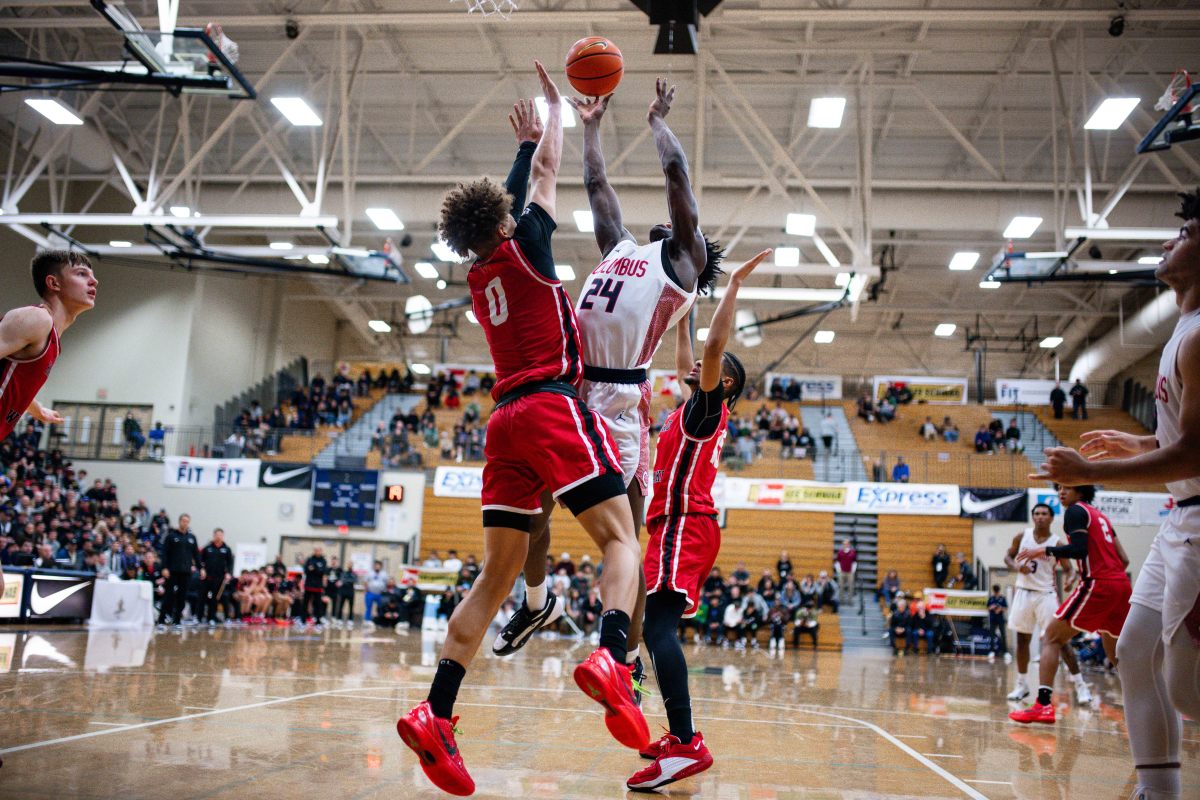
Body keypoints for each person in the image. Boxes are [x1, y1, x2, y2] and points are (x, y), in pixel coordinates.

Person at [398, 66, 649, 798]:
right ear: (504, 222)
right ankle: (609, 657)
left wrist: (531, 140)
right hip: (549, 406)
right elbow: (543, 174)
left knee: (496, 577)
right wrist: (557, 115)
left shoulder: (480, 274)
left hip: (501, 422)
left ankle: (437, 710)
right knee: (621, 539)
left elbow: (508, 197)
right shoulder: (528, 243)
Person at [496, 77, 723, 696]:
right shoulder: (623, 248)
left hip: (617, 405)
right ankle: (537, 600)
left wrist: (655, 121)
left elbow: (677, 173)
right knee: (529, 519)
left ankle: (624, 659)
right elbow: (596, 186)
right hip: (566, 393)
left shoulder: (679, 267)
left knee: (625, 542)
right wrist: (592, 124)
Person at [1033, 191, 1200, 799]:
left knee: (1188, 692)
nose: (1167, 241)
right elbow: (1179, 440)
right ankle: (1157, 793)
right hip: (1178, 522)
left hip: (1198, 522)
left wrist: (1090, 472)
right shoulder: (1182, 326)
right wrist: (1138, 446)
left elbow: (1195, 455)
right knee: (1132, 652)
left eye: (1184, 234)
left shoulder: (1199, 335)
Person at [629, 249, 766, 791]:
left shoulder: (710, 408)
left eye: (715, 370)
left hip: (686, 523)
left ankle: (686, 743)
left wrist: (730, 286)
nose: (702, 366)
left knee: (657, 627)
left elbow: (710, 346)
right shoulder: (692, 406)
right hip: (673, 525)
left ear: (725, 383)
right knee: (646, 624)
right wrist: (684, 295)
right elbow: (692, 348)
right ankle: (679, 735)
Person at [0, 249, 96, 598]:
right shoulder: (35, 320)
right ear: (53, 283)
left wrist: (34, 407)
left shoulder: (51, 335)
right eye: (82, 274)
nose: (93, 280)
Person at [1010, 484, 1131, 725]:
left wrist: (1044, 550)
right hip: (1120, 584)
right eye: (1060, 488)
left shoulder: (1075, 511)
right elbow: (1124, 560)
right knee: (1116, 651)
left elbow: (1078, 549)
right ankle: (1141, 696)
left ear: (1081, 490)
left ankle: (1043, 705)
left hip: (1099, 583)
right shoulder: (1101, 516)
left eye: (1067, 488)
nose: (1061, 492)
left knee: (1051, 637)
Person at [1003, 504, 1092, 705]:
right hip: (1024, 592)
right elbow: (1007, 556)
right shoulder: (1021, 536)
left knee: (1061, 641)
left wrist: (1070, 579)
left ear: (1051, 518)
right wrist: (1016, 566)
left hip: (1046, 595)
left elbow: (1069, 569)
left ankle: (1081, 686)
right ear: (1032, 517)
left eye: (1044, 514)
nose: (1040, 517)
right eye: (1037, 513)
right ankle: (1021, 684)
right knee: (1022, 641)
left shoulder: (1056, 543)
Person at [159, 514, 199, 627]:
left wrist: (201, 568)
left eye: (187, 521)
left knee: (182, 597)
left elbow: (196, 555)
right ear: (179, 521)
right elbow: (164, 553)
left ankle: (177, 620)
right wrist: (164, 568)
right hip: (172, 571)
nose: (185, 523)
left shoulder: (192, 538)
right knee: (168, 595)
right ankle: (161, 620)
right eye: (183, 521)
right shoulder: (171, 536)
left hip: (186, 572)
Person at [199, 528, 234, 626]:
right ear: (214, 535)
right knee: (202, 597)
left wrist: (228, 573)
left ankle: (211, 618)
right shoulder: (207, 548)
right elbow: (200, 561)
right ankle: (198, 617)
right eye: (217, 535)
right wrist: (202, 569)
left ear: (223, 536)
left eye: (220, 535)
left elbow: (230, 563)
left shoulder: (227, 549)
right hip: (206, 578)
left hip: (219, 579)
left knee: (215, 598)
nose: (218, 537)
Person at [303, 546, 328, 623]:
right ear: (314, 551)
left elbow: (322, 572)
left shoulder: (323, 561)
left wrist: (314, 568)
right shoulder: (309, 559)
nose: (317, 552)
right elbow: (306, 570)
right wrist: (313, 569)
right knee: (305, 603)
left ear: (321, 551)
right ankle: (303, 619)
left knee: (318, 604)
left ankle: (318, 619)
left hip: (318, 586)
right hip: (308, 585)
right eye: (316, 550)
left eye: (319, 550)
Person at [363, 560, 388, 626]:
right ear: (374, 566)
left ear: (381, 566)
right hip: (370, 593)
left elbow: (386, 583)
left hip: (380, 594)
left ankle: (379, 621)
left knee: (380, 608)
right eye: (376, 565)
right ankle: (367, 621)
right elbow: (365, 581)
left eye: (379, 566)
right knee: (368, 607)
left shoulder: (384, 574)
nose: (377, 567)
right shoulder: (369, 573)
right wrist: (366, 590)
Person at [987, 584, 1008, 660]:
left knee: (1003, 635)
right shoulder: (991, 598)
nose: (996, 593)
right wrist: (992, 607)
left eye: (997, 591)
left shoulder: (1002, 598)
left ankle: (1005, 652)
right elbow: (988, 607)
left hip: (1000, 619)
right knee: (992, 635)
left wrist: (1000, 609)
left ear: (999, 591)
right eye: (995, 592)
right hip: (993, 619)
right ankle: (992, 652)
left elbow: (1006, 608)